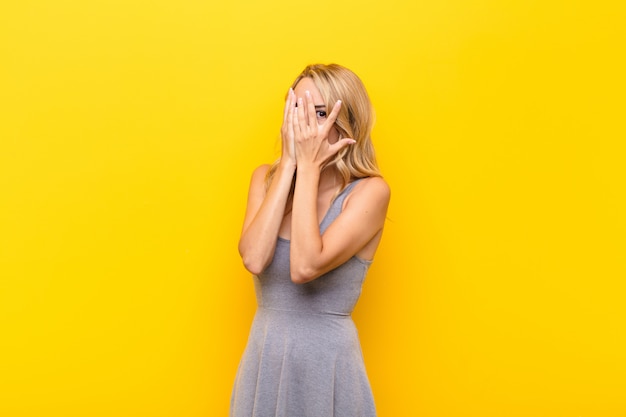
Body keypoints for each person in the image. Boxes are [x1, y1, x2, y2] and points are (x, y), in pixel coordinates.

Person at [230, 63, 390, 417]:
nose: (306, 125)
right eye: (297, 109)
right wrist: (289, 165)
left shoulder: (369, 193)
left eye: (320, 112)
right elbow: (254, 259)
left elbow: (305, 266)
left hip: (327, 364)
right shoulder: (265, 180)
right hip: (265, 358)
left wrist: (310, 169)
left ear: (346, 121)